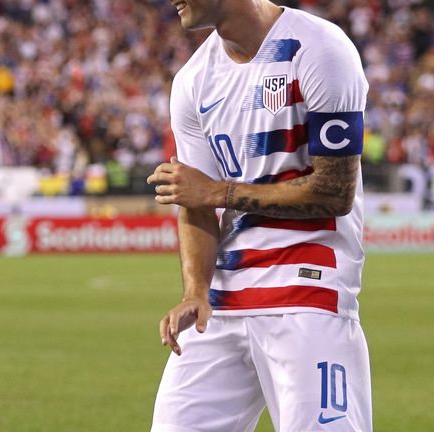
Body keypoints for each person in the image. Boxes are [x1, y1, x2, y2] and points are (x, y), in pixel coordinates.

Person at [145, 1, 371, 431]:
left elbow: (335, 192)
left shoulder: (320, 49)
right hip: (222, 304)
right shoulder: (193, 80)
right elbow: (194, 200)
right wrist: (195, 290)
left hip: (307, 291)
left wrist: (218, 191)